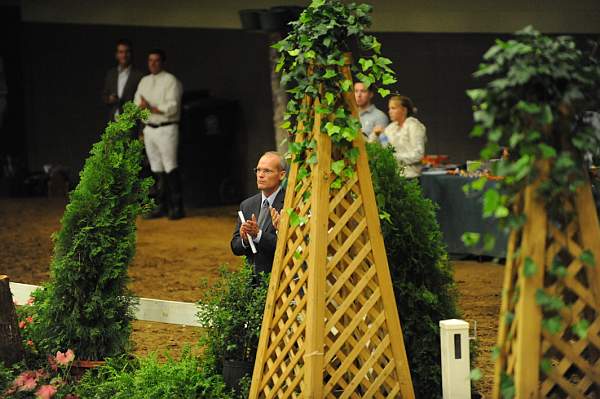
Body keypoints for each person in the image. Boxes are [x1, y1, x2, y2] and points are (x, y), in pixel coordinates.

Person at [134, 48, 184, 220]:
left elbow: (172, 108)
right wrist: (144, 112)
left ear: (162, 62)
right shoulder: (144, 81)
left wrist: (151, 107)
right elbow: (137, 106)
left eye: (156, 60)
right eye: (150, 61)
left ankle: (176, 206)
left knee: (170, 166)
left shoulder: (171, 81)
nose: (153, 64)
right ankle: (160, 206)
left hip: (167, 128)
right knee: (155, 168)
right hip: (150, 128)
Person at [231, 151, 286, 275]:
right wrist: (245, 240)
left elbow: (288, 247)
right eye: (258, 170)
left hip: (279, 280)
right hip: (251, 282)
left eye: (267, 171)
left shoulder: (289, 204)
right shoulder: (247, 205)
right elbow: (235, 247)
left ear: (281, 175)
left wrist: (258, 235)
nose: (260, 175)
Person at [371, 95, 426, 178]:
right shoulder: (391, 128)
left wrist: (394, 158)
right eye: (389, 108)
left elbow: (418, 154)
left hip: (410, 176)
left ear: (404, 110)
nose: (390, 111)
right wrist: (375, 135)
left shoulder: (414, 126)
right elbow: (381, 148)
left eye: (393, 108)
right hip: (392, 176)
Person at [102, 39, 144, 121]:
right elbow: (105, 95)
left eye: (127, 52)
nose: (124, 55)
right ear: (116, 55)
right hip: (113, 122)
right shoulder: (111, 74)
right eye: (121, 52)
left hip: (131, 121)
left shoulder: (139, 75)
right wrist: (110, 99)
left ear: (131, 54)